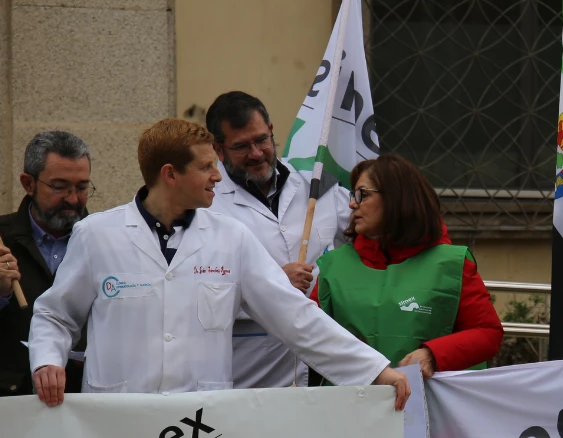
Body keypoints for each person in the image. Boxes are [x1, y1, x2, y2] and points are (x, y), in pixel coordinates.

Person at [28, 118, 409, 410]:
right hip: (115, 423)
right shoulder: (97, 235)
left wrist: (373, 371)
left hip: (201, 424)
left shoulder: (232, 238)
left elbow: (295, 317)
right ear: (170, 174)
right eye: (207, 167)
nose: (217, 177)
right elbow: (55, 315)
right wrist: (47, 361)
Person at [310, 154, 503, 438]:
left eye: (363, 195)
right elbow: (308, 339)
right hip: (350, 429)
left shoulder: (451, 263)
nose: (352, 205)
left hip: (434, 431)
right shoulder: (331, 266)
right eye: (351, 196)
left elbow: (488, 334)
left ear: (398, 200)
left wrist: (432, 354)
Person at [205, 91, 351, 388]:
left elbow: (369, 237)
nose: (257, 153)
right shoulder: (205, 203)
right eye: (242, 146)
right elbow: (193, 292)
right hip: (251, 372)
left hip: (325, 370)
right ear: (218, 149)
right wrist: (272, 284)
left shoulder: (316, 184)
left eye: (261, 140)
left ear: (272, 131)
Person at [0, 131, 93, 397]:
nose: (73, 199)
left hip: (85, 403)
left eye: (82, 187)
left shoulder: (107, 241)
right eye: (59, 186)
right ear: (28, 183)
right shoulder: (2, 239)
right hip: (11, 403)